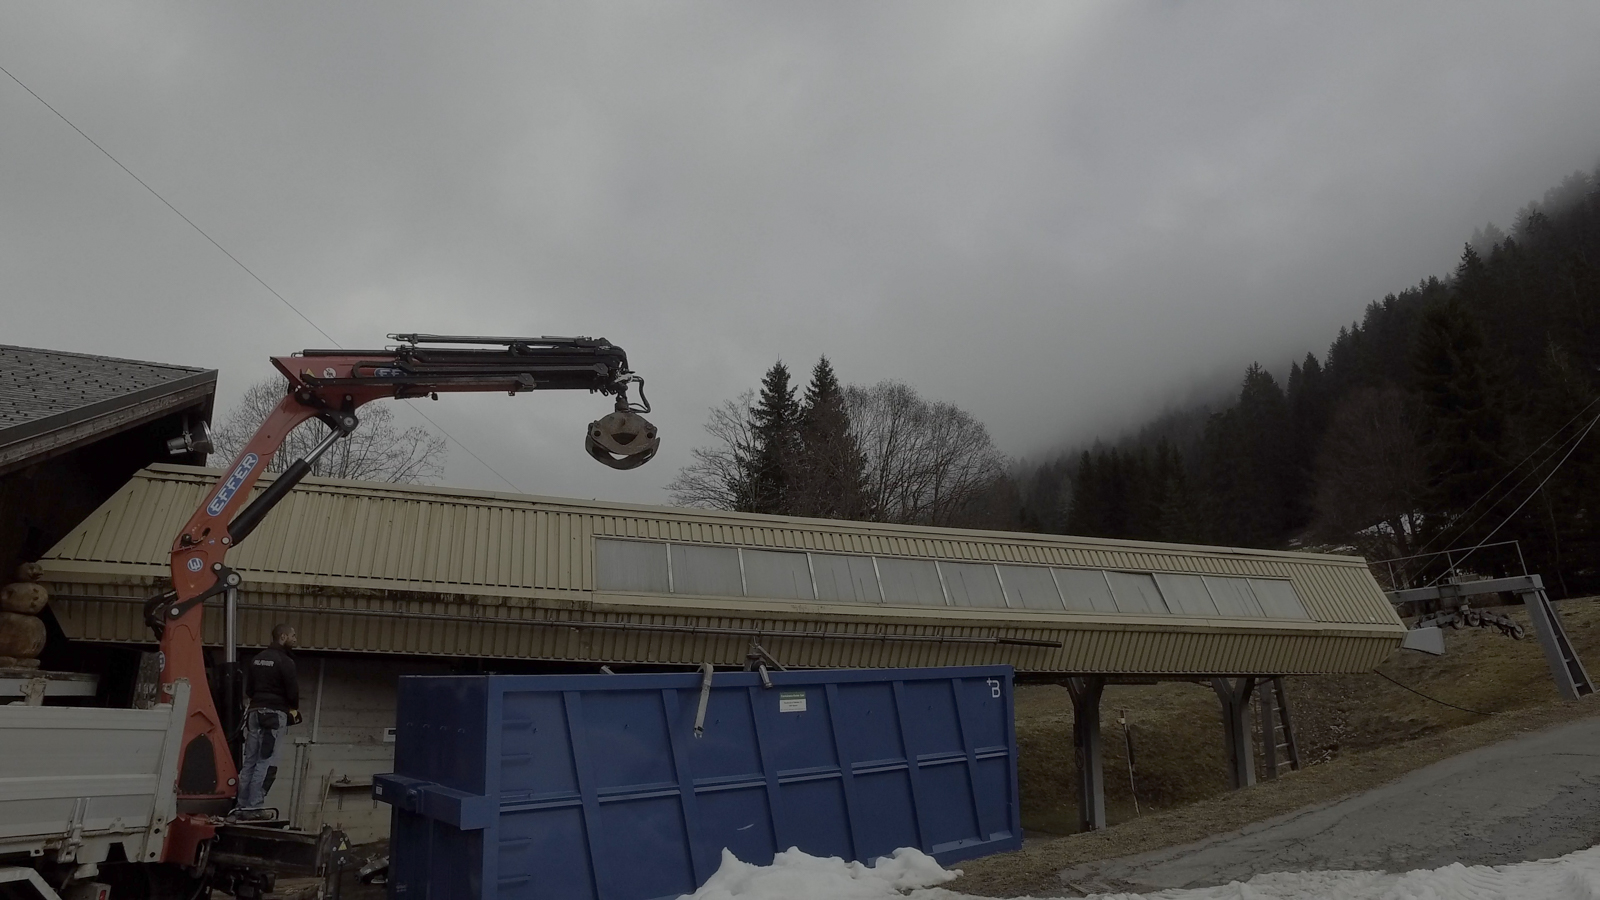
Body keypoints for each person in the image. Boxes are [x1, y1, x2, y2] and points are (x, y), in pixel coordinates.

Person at [235, 623, 299, 818]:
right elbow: (292, 693)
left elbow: (249, 690)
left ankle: (241, 806)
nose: (295, 639)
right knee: (266, 761)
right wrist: (292, 708)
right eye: (293, 636)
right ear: (283, 637)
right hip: (273, 715)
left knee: (250, 761)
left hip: (254, 713)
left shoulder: (257, 659)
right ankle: (254, 807)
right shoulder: (286, 661)